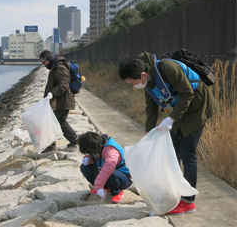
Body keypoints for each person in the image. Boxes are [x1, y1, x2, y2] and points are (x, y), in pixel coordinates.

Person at [118, 52, 218, 214]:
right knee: (172, 150)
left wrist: (171, 119)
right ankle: (173, 192)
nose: (133, 86)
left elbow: (188, 93)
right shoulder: (148, 82)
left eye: (132, 83)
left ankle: (188, 202)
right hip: (181, 108)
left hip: (198, 105)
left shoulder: (168, 68)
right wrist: (148, 131)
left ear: (142, 75)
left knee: (187, 152)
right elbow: (151, 107)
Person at [39, 50, 78, 153]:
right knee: (60, 121)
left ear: (49, 59)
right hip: (61, 100)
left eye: (44, 62)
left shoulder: (60, 67)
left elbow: (64, 84)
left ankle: (51, 146)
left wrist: (52, 93)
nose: (44, 65)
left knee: (51, 122)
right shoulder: (55, 66)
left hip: (62, 101)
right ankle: (74, 140)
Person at [79, 131, 132, 203]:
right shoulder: (99, 146)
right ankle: (106, 188)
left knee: (111, 173)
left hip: (123, 178)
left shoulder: (111, 150)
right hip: (109, 174)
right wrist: (88, 158)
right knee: (85, 167)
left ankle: (117, 191)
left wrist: (98, 185)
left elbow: (109, 167)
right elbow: (98, 157)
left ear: (93, 146)